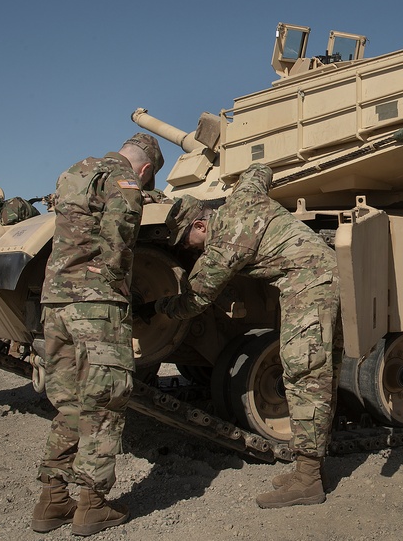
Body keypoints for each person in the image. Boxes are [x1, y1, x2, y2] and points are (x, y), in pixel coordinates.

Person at [143, 162, 340, 509]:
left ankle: (309, 480)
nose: (189, 249)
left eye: (187, 241)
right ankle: (305, 471)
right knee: (302, 369)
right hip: (313, 273)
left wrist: (159, 306)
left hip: (310, 282)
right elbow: (259, 170)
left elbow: (194, 301)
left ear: (201, 225)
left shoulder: (222, 246)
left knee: (303, 372)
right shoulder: (243, 197)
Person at [32, 133, 164, 535]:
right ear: (145, 170)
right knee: (104, 401)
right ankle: (91, 505)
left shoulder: (75, 171)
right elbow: (120, 234)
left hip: (55, 303)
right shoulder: (124, 181)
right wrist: (114, 284)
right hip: (95, 304)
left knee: (69, 402)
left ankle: (52, 501)